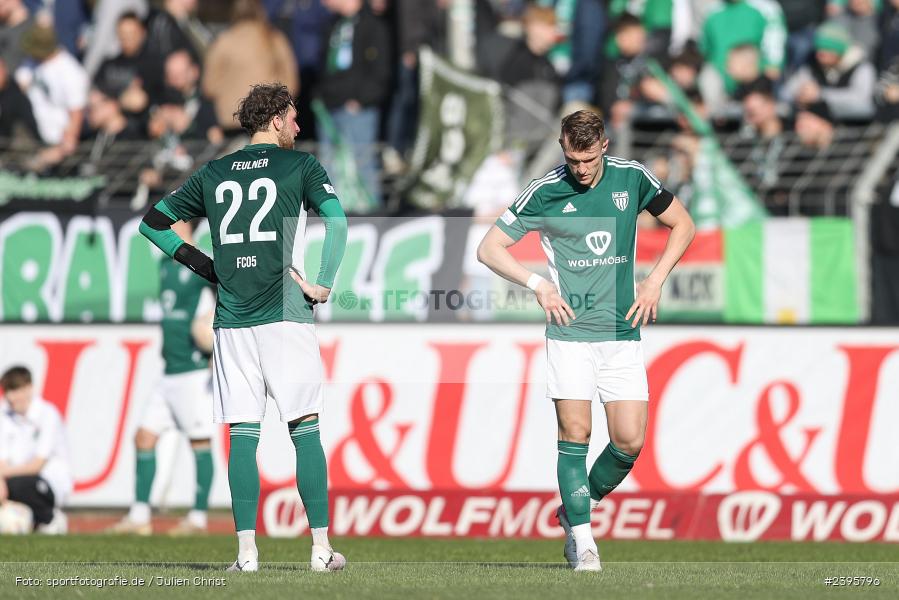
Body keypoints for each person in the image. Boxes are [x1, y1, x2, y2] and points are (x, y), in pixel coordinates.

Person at [138, 82, 348, 573]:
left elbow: (151, 223)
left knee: (244, 435)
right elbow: (337, 223)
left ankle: (246, 556)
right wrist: (322, 284)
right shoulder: (301, 166)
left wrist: (208, 267)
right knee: (306, 429)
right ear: (275, 119)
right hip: (285, 314)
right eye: (294, 118)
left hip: (231, 320)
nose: (299, 126)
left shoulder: (213, 172)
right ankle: (320, 551)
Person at [476, 110, 695, 571]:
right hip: (571, 333)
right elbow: (489, 248)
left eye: (589, 159)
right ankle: (582, 540)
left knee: (629, 442)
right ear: (562, 147)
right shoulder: (545, 191)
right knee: (576, 432)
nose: (581, 169)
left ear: (605, 146)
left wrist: (655, 280)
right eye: (573, 159)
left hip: (622, 331)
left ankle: (576, 506)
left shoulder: (631, 179)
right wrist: (539, 286)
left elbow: (684, 224)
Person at [108, 220, 216, 536]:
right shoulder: (165, 266)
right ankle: (140, 516)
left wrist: (214, 325)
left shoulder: (202, 263)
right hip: (168, 370)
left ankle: (198, 520)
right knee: (144, 437)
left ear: (188, 226)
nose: (169, 225)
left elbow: (227, 292)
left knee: (199, 442)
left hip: (193, 372)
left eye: (176, 221)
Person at [203, 0, 298, 131]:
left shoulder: (224, 41)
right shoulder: (274, 39)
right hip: (269, 119)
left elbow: (209, 86)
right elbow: (292, 81)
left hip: (233, 120)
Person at [0, 366, 72, 534]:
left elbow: (37, 465)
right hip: (12, 478)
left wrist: (3, 476)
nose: (12, 397)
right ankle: (29, 521)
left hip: (49, 482)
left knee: (21, 485)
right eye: (9, 391)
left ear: (29, 388)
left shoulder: (47, 414)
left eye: (17, 390)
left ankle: (50, 518)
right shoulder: (4, 417)